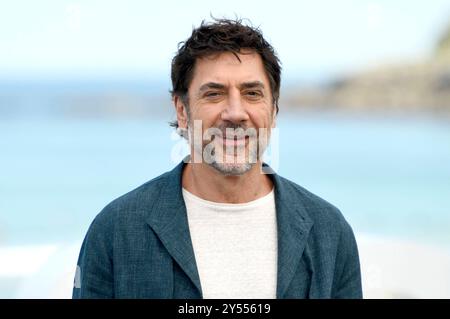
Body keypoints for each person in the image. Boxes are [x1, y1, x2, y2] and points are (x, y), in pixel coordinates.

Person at [72, 18, 362, 299]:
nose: (235, 113)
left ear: (273, 110)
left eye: (252, 93)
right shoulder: (115, 230)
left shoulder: (329, 231)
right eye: (214, 94)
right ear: (182, 111)